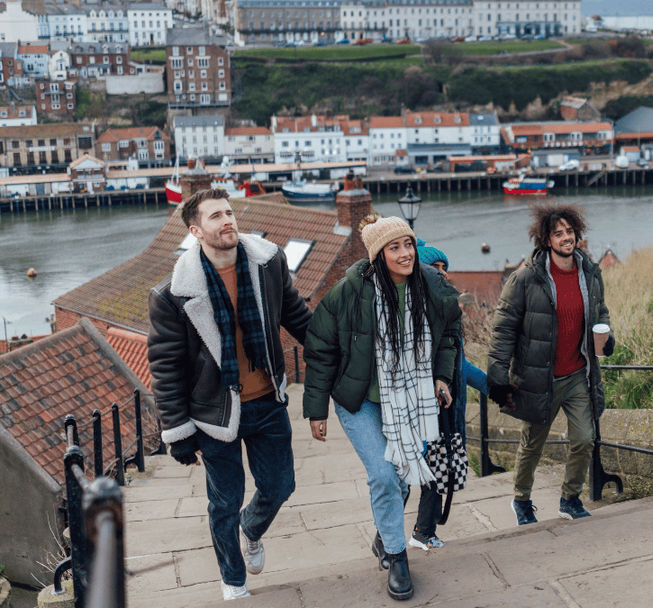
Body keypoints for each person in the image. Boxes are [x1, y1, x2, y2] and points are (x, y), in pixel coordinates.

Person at [147, 188, 312, 601]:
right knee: (224, 502)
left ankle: (251, 529)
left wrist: (336, 355)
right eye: (215, 216)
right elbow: (166, 367)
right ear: (195, 230)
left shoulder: (268, 263)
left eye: (229, 212)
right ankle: (233, 581)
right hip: (213, 414)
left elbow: (296, 316)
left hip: (267, 400)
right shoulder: (171, 294)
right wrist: (177, 431)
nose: (227, 221)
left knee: (280, 487)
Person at [302, 217, 461, 601]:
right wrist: (316, 409)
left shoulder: (433, 284)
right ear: (378, 254)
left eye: (408, 243)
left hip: (412, 401)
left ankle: (383, 535)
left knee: (404, 477)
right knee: (385, 476)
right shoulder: (350, 292)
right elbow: (320, 349)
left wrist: (442, 377)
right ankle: (397, 556)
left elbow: (450, 333)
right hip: (360, 402)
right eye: (395, 247)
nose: (405, 253)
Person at [487, 203, 614, 526]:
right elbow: (503, 328)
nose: (566, 238)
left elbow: (599, 312)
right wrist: (498, 377)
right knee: (532, 445)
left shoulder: (589, 271)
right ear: (546, 240)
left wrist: (607, 337)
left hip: (578, 375)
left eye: (570, 232)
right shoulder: (526, 278)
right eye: (558, 234)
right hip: (539, 379)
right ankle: (522, 500)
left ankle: (570, 499)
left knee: (585, 439)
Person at [409, 243, 489, 550]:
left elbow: (460, 364)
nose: (442, 273)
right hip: (420, 408)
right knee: (407, 477)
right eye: (434, 267)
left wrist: (492, 387)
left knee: (437, 469)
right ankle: (394, 537)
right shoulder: (415, 312)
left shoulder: (446, 308)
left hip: (446, 407)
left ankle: (423, 531)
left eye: (445, 267)